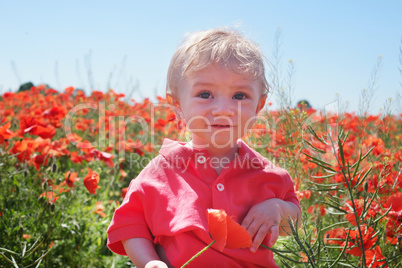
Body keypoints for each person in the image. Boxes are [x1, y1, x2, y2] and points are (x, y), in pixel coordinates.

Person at [107, 27, 301, 268]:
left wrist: (277, 208)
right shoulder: (162, 170)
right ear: (177, 104)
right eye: (205, 94)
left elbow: (295, 219)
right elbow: (130, 224)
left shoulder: (269, 175)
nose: (223, 108)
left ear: (259, 107)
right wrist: (149, 263)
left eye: (239, 96)